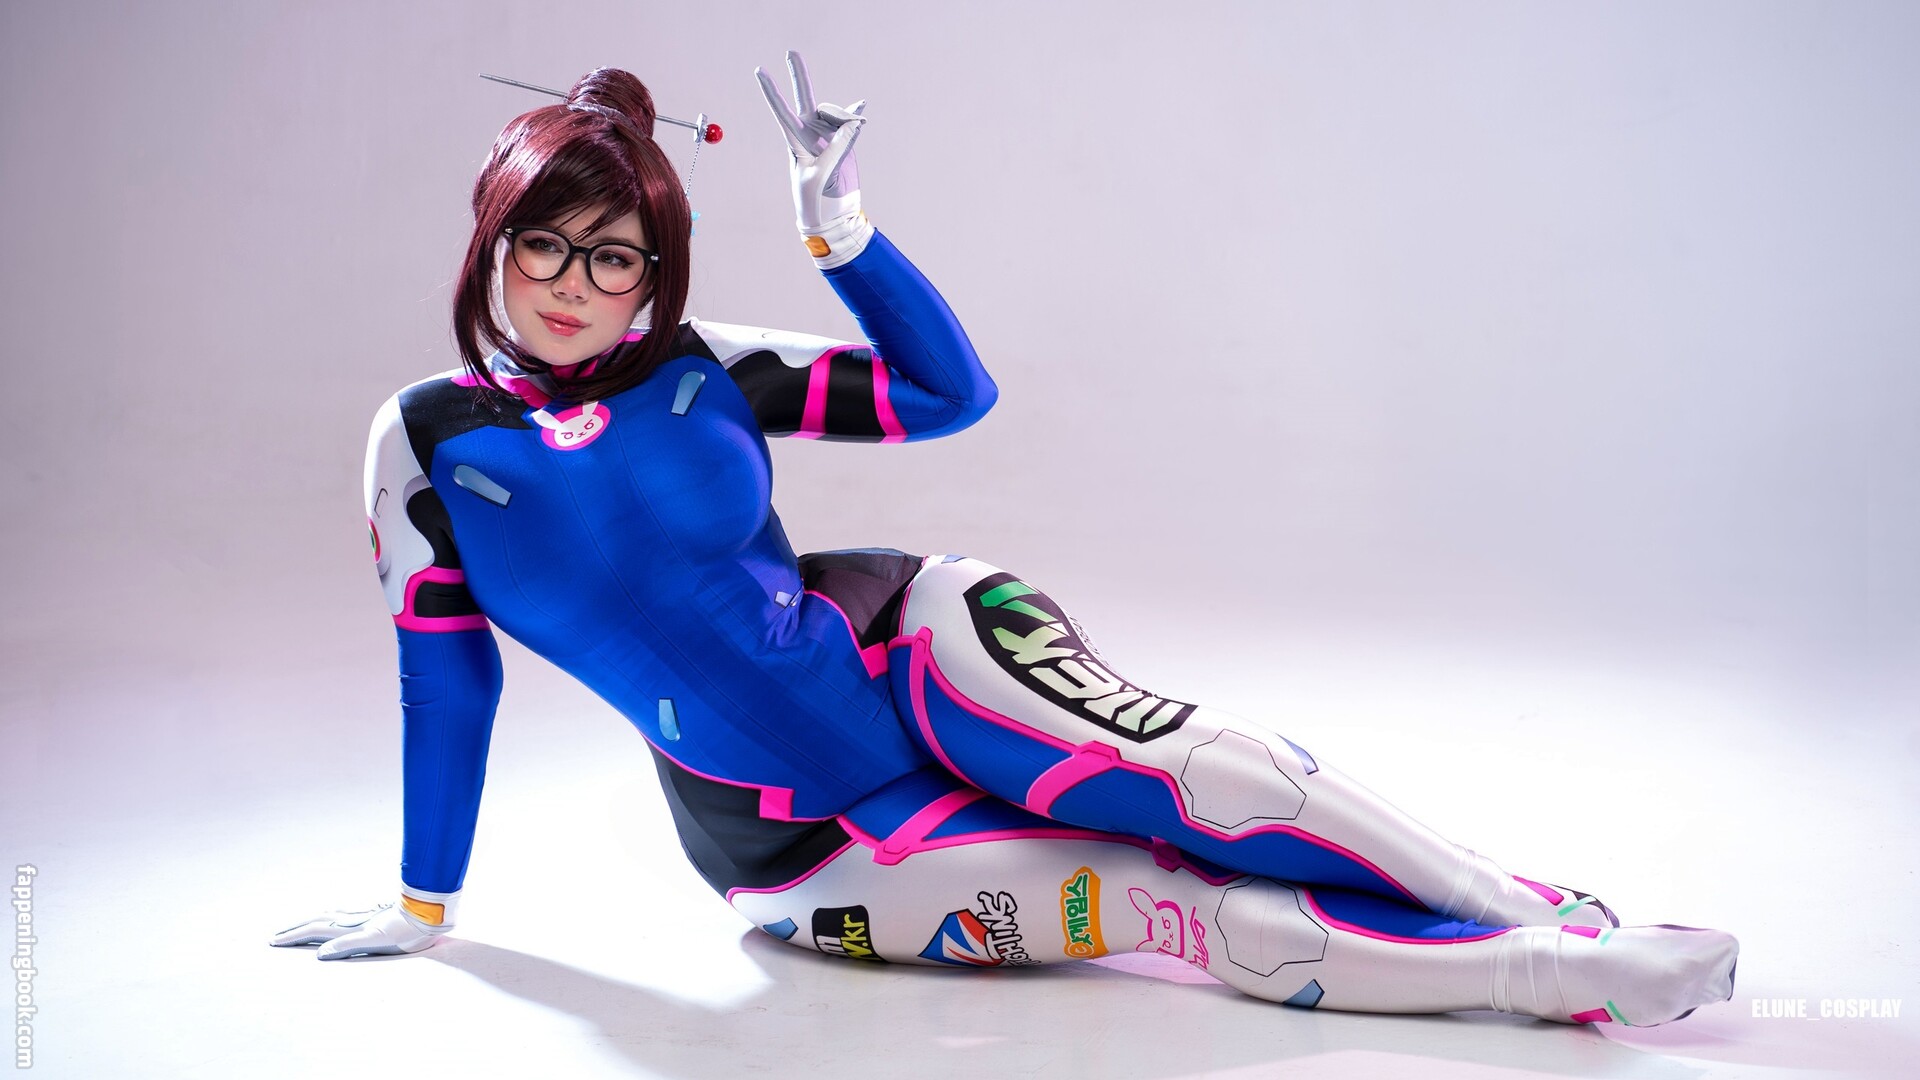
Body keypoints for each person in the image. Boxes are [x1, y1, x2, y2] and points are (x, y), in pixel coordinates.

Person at [269, 53, 1738, 1027]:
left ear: (656, 273)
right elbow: (445, 682)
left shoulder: (698, 364)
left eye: (615, 255)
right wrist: (424, 903)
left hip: (912, 649)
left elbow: (945, 394)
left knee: (1203, 782)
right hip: (792, 852)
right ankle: (1557, 976)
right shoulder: (425, 444)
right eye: (543, 242)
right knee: (1173, 913)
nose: (574, 282)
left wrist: (842, 234)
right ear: (491, 239)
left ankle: (1533, 908)